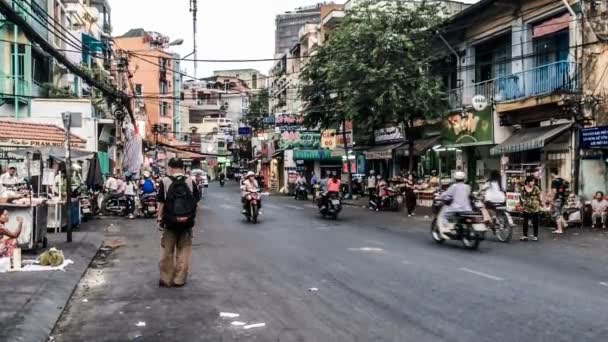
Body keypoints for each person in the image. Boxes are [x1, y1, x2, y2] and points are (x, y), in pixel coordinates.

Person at [157, 158, 200, 288]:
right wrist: (192, 218)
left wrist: (159, 218)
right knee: (184, 252)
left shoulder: (164, 181)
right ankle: (179, 280)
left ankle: (166, 279)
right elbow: (196, 203)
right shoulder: (190, 182)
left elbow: (161, 203)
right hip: (186, 223)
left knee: (167, 252)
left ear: (170, 168)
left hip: (170, 222)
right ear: (183, 168)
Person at [438, 171, 472, 238]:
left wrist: (440, 196)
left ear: (455, 179)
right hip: (467, 209)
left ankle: (446, 230)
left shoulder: (454, 186)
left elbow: (446, 194)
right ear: (464, 179)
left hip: (455, 208)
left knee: (443, 216)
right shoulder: (467, 187)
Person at [520, 176, 542, 241]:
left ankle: (535, 236)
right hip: (526, 207)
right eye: (531, 181)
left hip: (535, 207)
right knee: (525, 222)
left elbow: (539, 196)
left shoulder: (536, 188)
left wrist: (541, 203)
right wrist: (522, 204)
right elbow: (521, 197)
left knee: (535, 222)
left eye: (533, 181)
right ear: (527, 182)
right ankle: (525, 236)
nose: (533, 182)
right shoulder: (523, 188)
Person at [549, 168, 567, 234]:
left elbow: (554, 191)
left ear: (552, 173)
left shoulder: (554, 181)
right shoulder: (563, 180)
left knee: (557, 214)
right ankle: (564, 224)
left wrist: (552, 199)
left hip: (557, 199)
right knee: (560, 212)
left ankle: (560, 229)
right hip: (562, 199)